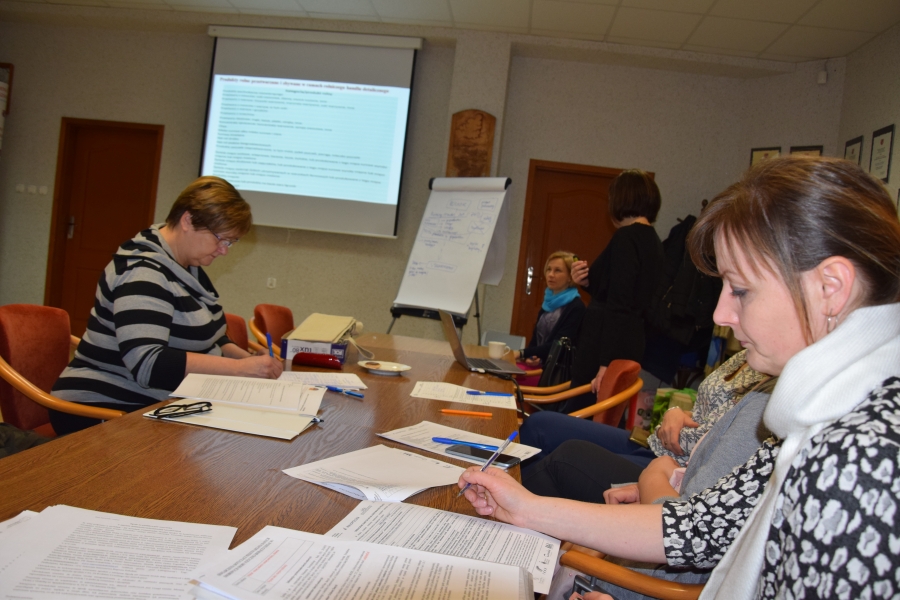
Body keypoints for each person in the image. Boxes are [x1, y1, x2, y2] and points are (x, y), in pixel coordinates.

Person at [458, 156, 900, 599]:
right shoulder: (823, 414)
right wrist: (526, 509)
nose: (720, 314)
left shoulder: (861, 458)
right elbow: (700, 526)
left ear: (830, 288)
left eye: (740, 290)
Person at [51, 176, 283, 434]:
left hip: (156, 403)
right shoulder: (143, 272)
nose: (224, 250)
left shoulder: (186, 268)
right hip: (101, 407)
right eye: (220, 239)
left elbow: (213, 337)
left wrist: (250, 362)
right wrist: (239, 370)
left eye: (230, 242)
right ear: (188, 221)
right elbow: (149, 364)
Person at [560, 170, 664, 413]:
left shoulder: (626, 238)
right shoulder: (654, 241)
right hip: (629, 340)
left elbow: (619, 303)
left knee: (580, 414)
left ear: (621, 199)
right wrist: (587, 282)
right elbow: (623, 292)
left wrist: (606, 362)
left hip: (604, 345)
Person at [514, 251, 585, 369]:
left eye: (557, 270)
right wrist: (530, 357)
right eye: (549, 269)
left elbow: (558, 345)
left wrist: (522, 353)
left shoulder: (576, 307)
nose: (551, 275)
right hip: (541, 367)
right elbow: (535, 340)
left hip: (558, 372)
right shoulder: (547, 303)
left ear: (570, 277)